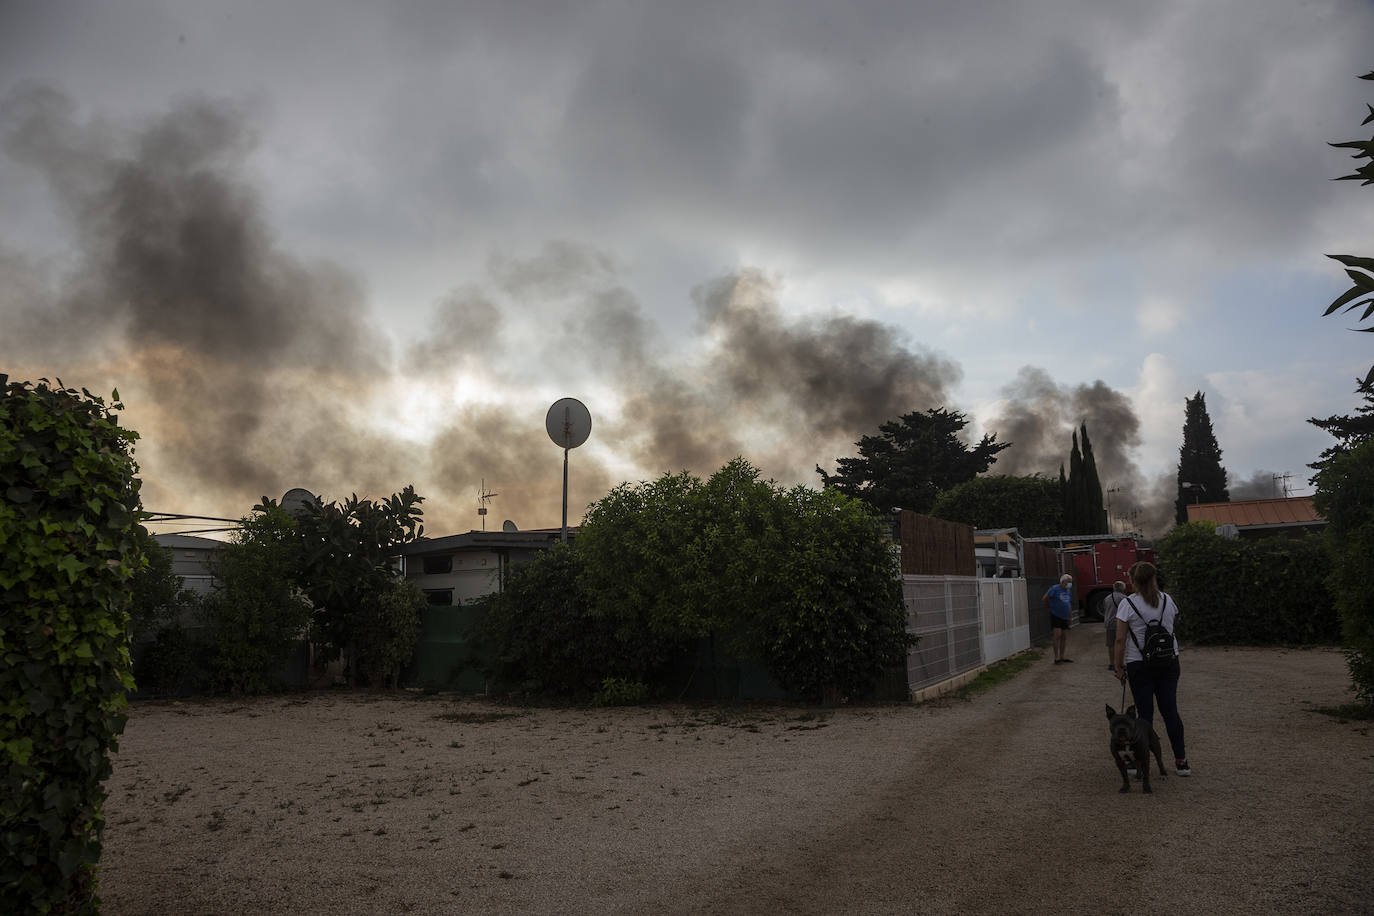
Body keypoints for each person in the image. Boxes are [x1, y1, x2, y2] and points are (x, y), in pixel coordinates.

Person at [1113, 561, 1190, 776]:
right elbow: (1172, 625)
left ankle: (1140, 763)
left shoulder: (1128, 604)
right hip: (1168, 661)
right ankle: (1181, 761)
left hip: (1140, 663)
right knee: (1170, 711)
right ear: (1154, 578)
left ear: (1133, 581)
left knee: (1144, 715)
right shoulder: (1167, 600)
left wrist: (1118, 666)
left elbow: (1120, 639)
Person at [1042, 574, 1073, 664]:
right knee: (1057, 635)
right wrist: (1050, 607)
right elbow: (1045, 598)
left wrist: (1070, 616)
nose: (1070, 584)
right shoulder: (1055, 589)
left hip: (1065, 616)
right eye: (1069, 582)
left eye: (1071, 582)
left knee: (1064, 636)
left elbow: (1069, 604)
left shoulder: (1068, 591)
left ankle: (1062, 656)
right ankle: (1056, 658)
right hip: (1056, 615)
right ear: (1063, 582)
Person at [1103, 581, 1127, 669]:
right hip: (1120, 623)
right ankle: (1121, 663)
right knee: (1121, 643)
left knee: (1111, 644)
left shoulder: (1107, 598)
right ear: (1123, 588)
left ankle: (1111, 663)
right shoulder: (1124, 598)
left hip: (1109, 623)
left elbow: (1105, 609)